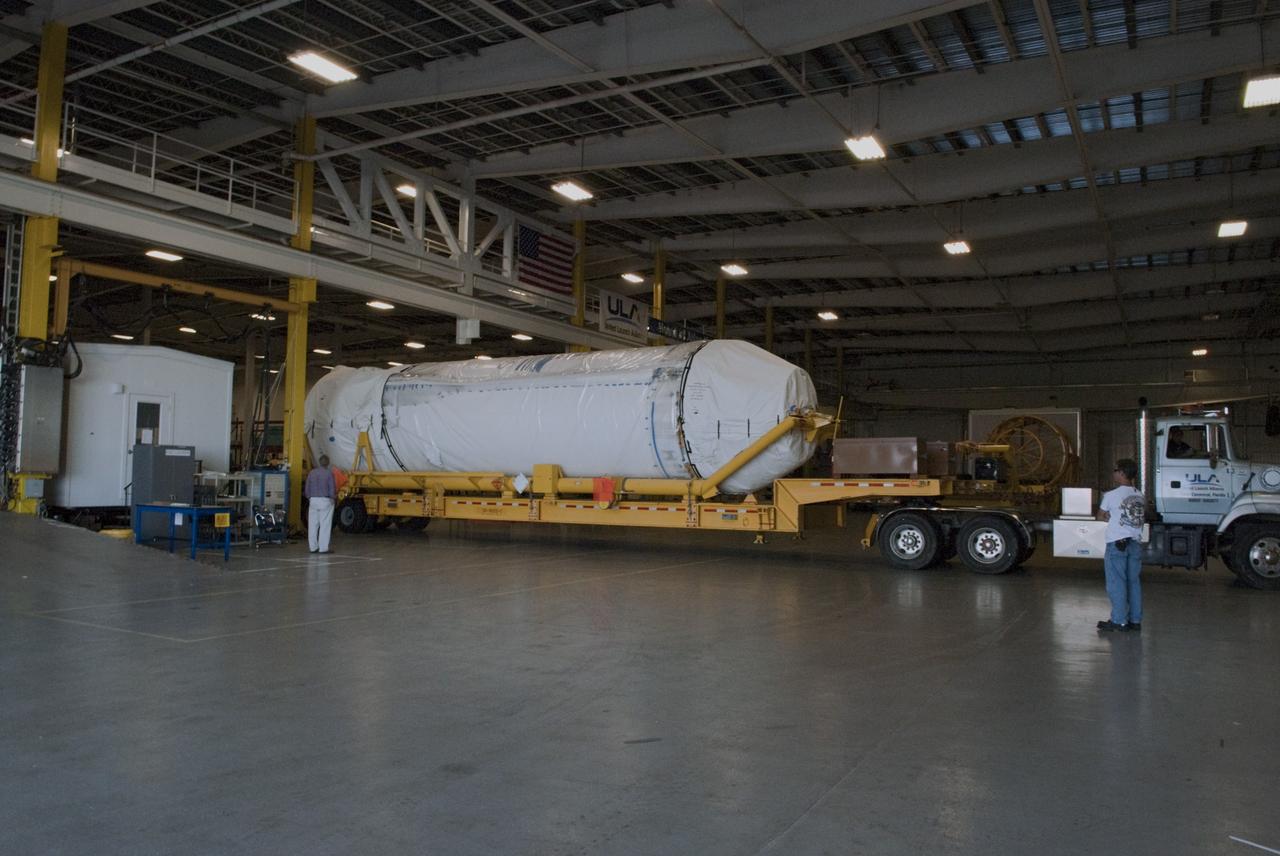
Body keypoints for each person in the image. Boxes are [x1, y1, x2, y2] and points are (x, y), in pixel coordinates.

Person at [1096, 458, 1146, 632]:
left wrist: (1109, 517)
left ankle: (1118, 620)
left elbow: (1100, 515)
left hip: (1117, 544)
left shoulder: (1111, 495)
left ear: (1122, 473)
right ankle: (1135, 620)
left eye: (1115, 470)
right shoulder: (1139, 495)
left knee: (1116, 582)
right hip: (1134, 543)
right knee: (1133, 582)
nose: (1114, 473)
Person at [304, 454, 337, 554]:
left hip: (313, 500)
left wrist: (309, 497)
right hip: (325, 501)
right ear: (328, 463)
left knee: (313, 525)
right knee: (325, 525)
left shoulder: (312, 473)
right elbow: (332, 489)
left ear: (319, 462)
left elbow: (306, 489)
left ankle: (313, 547)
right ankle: (323, 548)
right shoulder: (329, 473)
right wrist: (333, 498)